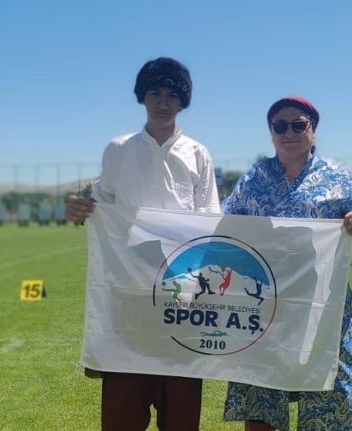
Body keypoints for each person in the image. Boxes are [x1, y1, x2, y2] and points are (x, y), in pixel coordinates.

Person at [65, 57, 220, 431]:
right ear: (142, 96)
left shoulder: (198, 153)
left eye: (172, 95)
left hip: (180, 298)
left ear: (183, 101)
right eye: (155, 93)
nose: (163, 103)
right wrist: (78, 209)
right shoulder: (118, 149)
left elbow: (210, 221)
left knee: (181, 415)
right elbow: (102, 207)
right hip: (128, 296)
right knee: (122, 414)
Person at [221, 96, 352, 431]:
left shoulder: (339, 178)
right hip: (265, 306)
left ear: (313, 130)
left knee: (328, 398)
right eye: (280, 126)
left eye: (298, 125)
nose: (289, 133)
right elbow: (220, 218)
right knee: (261, 399)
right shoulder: (253, 180)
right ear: (271, 132)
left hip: (324, 306)